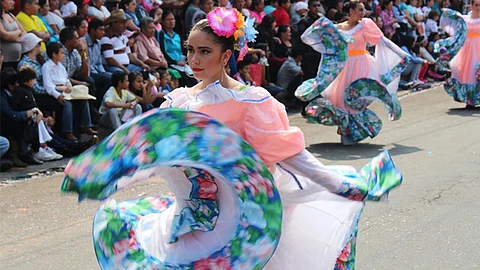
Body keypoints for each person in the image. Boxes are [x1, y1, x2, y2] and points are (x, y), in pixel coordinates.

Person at [62, 8, 402, 269]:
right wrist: (104, 178)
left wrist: (338, 184)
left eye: (204, 52)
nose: (193, 60)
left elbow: (292, 156)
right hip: (188, 220)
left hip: (240, 220)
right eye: (190, 50)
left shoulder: (251, 102)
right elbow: (151, 156)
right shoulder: (178, 101)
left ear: (226, 56)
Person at [296, 0, 410, 145]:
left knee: (356, 98)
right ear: (351, 11)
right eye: (360, 10)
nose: (364, 13)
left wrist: (401, 55)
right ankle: (346, 130)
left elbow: (382, 41)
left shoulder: (365, 25)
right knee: (340, 99)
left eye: (363, 10)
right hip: (343, 66)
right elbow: (309, 38)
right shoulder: (337, 29)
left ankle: (353, 131)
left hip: (362, 64)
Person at [42, 42, 95, 141]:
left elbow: (66, 79)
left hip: (66, 89)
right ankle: (68, 131)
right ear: (54, 54)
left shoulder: (60, 66)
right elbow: (49, 86)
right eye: (61, 53)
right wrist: (57, 95)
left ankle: (85, 125)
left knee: (83, 98)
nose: (63, 55)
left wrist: (69, 86)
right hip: (57, 91)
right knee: (67, 103)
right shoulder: (46, 67)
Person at [10, 66, 63, 161]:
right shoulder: (20, 91)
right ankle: (38, 148)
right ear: (27, 80)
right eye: (32, 79)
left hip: (35, 118)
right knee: (36, 122)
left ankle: (44, 147)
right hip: (27, 121)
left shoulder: (29, 91)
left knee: (39, 122)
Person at [438, 6, 480, 108]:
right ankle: (469, 100)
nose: (478, 8)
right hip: (466, 49)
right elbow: (455, 26)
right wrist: (448, 12)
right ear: (471, 6)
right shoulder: (465, 19)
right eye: (476, 5)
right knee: (468, 73)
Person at [101, 9, 149, 74]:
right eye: (122, 23)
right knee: (121, 74)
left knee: (143, 71)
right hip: (113, 67)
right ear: (114, 24)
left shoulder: (123, 37)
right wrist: (124, 69)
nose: (125, 25)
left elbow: (129, 54)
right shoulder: (106, 38)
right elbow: (110, 59)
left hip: (127, 66)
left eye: (125, 23)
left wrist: (142, 64)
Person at [84, 18, 111, 108]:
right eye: (100, 30)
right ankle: (97, 106)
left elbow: (99, 63)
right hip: (87, 72)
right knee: (106, 79)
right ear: (92, 30)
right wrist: (100, 74)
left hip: (96, 71)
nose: (103, 32)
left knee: (113, 76)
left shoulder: (98, 43)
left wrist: (103, 72)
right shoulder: (84, 42)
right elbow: (87, 63)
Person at [1, 0, 26, 69]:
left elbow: (24, 32)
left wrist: (14, 36)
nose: (13, 2)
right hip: (5, 60)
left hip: (18, 58)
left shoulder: (10, 15)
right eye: (10, 0)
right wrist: (18, 31)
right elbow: (5, 36)